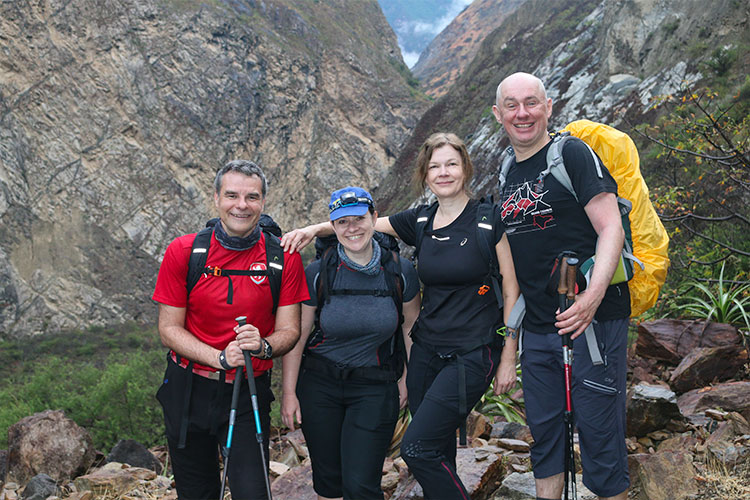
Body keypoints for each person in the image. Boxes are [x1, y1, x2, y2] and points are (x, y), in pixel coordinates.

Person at [282, 134, 520, 500]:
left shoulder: (488, 220)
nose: (443, 173)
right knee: (439, 449)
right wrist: (314, 230)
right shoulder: (421, 219)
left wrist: (508, 356)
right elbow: (358, 226)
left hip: (473, 349)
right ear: (425, 174)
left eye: (451, 164)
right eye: (435, 166)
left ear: (465, 168)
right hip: (427, 350)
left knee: (417, 448)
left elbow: (511, 292)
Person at [492, 72, 630, 500]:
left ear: (549, 107)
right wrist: (511, 344)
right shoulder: (507, 170)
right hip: (538, 329)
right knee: (546, 434)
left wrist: (592, 298)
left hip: (593, 323)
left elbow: (611, 229)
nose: (522, 113)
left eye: (531, 102)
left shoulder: (571, 153)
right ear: (498, 115)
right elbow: (516, 269)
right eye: (511, 105)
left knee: (599, 434)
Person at [152, 160, 309, 500]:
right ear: (216, 198)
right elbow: (168, 329)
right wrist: (220, 357)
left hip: (248, 387)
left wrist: (263, 346)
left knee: (252, 491)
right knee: (197, 492)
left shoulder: (282, 258)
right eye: (232, 195)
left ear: (263, 202)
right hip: (187, 388)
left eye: (251, 197)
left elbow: (289, 330)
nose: (241, 205)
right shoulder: (185, 251)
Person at [280, 186, 421, 500]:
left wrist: (407, 380)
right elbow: (299, 336)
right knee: (329, 482)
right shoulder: (319, 273)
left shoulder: (399, 271)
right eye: (342, 222)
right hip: (319, 385)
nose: (352, 228)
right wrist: (289, 393)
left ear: (374, 218)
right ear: (333, 226)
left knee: (360, 484)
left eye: (359, 218)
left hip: (375, 386)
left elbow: (410, 327)